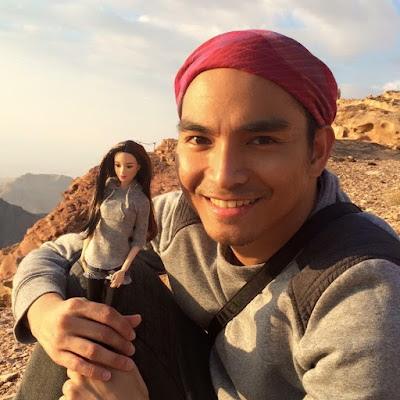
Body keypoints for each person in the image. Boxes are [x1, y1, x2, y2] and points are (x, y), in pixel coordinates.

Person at [12, 29, 400, 400]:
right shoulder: (181, 217)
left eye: (262, 140)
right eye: (200, 139)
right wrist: (44, 315)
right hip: (198, 378)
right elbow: (57, 252)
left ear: (317, 151)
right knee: (88, 277)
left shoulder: (363, 294)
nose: (223, 176)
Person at [79, 140, 157, 305]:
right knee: (93, 305)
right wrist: (84, 253)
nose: (122, 171)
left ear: (139, 167)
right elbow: (94, 222)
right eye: (118, 165)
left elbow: (139, 239)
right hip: (94, 258)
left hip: (118, 264)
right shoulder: (106, 188)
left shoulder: (140, 200)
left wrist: (123, 269)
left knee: (111, 308)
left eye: (129, 166)